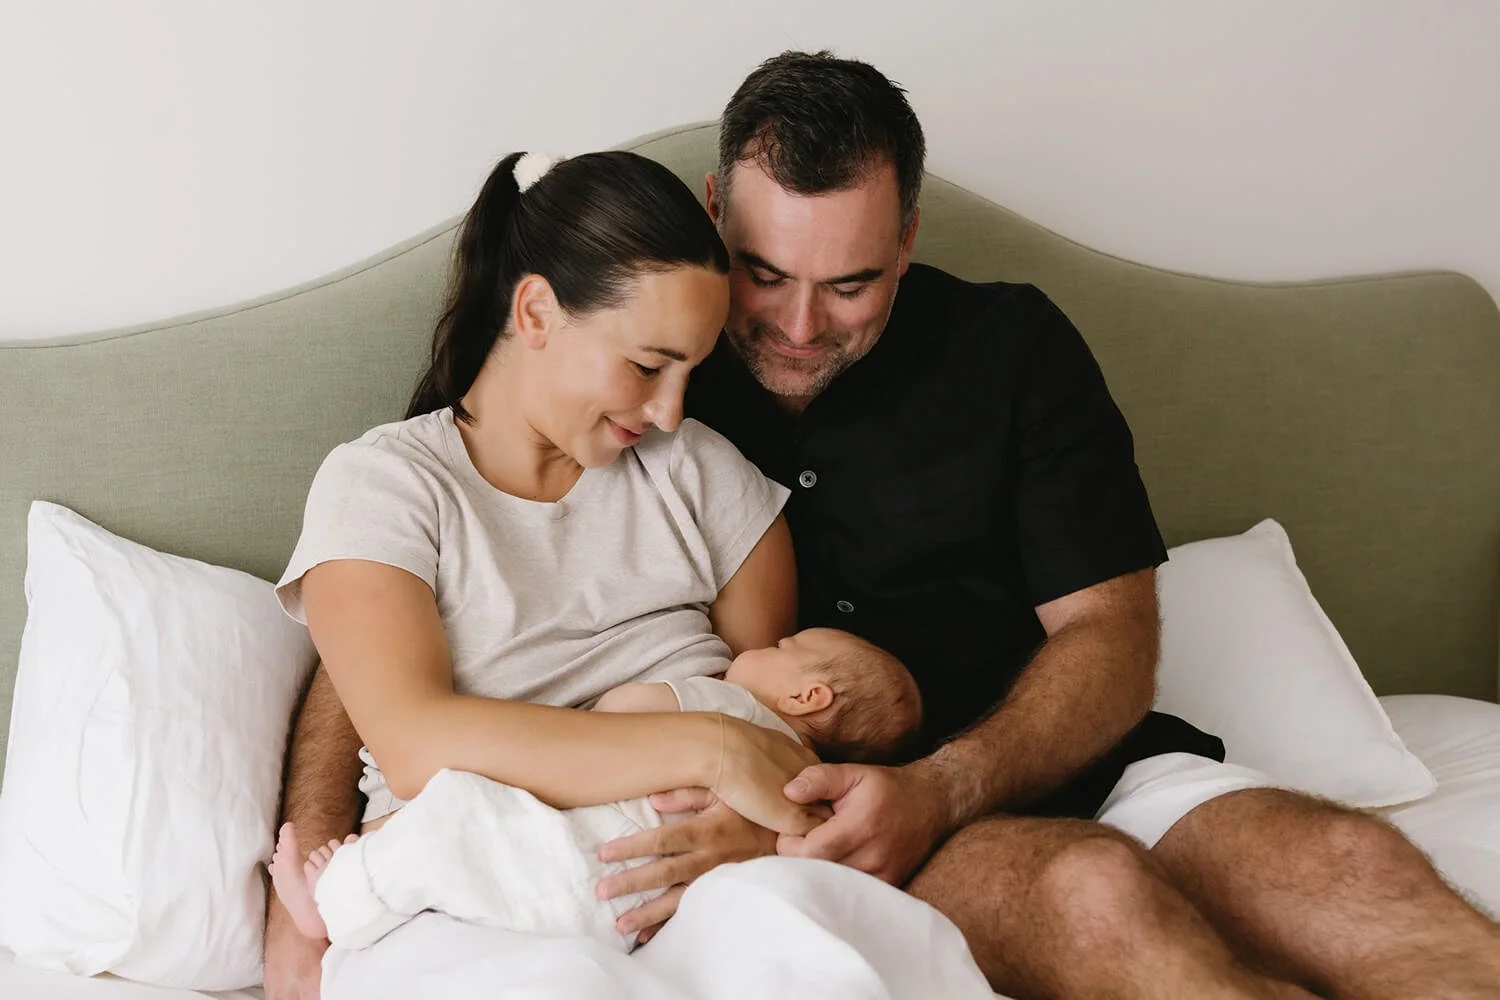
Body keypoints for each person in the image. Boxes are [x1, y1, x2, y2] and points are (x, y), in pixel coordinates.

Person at [580, 51, 1499, 1000]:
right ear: (713, 213)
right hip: (831, 819)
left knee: (1356, 861)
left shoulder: (1012, 349)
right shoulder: (630, 377)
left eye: (850, 285)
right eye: (763, 273)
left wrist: (948, 784)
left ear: (906, 240)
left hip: (1059, 767)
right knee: (1097, 896)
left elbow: (1111, 632)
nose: (801, 326)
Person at [260, 147, 985, 1000]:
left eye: (692, 370)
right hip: (465, 893)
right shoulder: (386, 487)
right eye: (647, 366)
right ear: (535, 312)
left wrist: (757, 825)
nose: (673, 410)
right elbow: (418, 743)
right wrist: (712, 749)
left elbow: (777, 732)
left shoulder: (709, 479)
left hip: (684, 885)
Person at [267, 627, 921, 953]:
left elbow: (619, 720)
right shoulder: (806, 789)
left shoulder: (722, 705)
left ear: (809, 695)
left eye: (788, 643)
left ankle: (333, 904)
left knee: (456, 812)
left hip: (579, 858)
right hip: (633, 920)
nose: (772, 640)